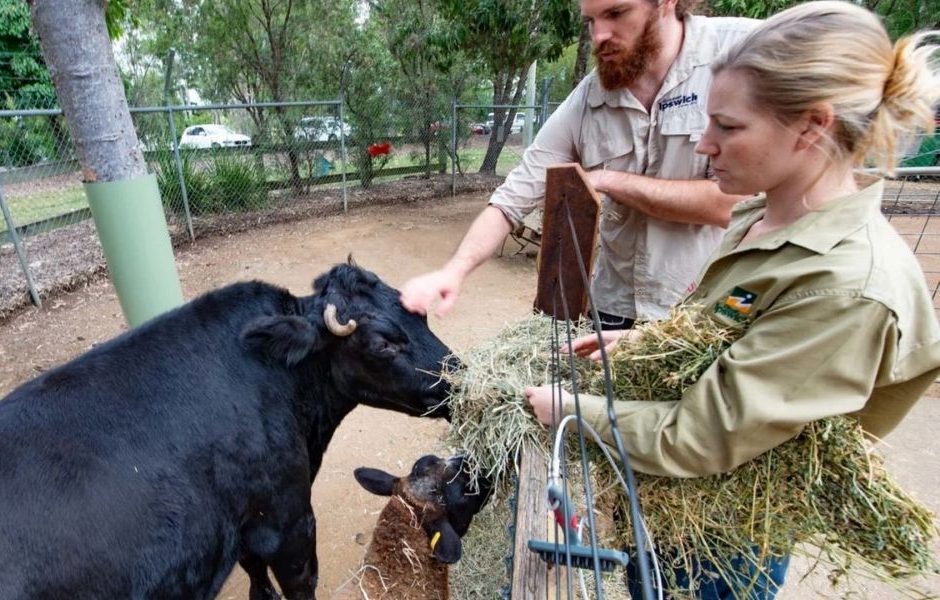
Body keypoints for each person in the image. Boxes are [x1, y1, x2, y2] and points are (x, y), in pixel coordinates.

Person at [527, 2, 940, 597]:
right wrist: (650, 341)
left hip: (727, 536)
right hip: (676, 500)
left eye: (729, 126)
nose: (705, 144)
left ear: (812, 126)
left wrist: (568, 408)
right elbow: (727, 333)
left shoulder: (846, 286)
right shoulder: (759, 215)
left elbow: (699, 438)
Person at [400, 0, 756, 329]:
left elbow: (737, 204)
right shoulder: (590, 97)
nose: (599, 35)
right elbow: (514, 197)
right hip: (615, 307)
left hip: (704, 309)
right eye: (590, 21)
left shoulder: (741, 55)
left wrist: (607, 180)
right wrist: (454, 271)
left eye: (616, 14)